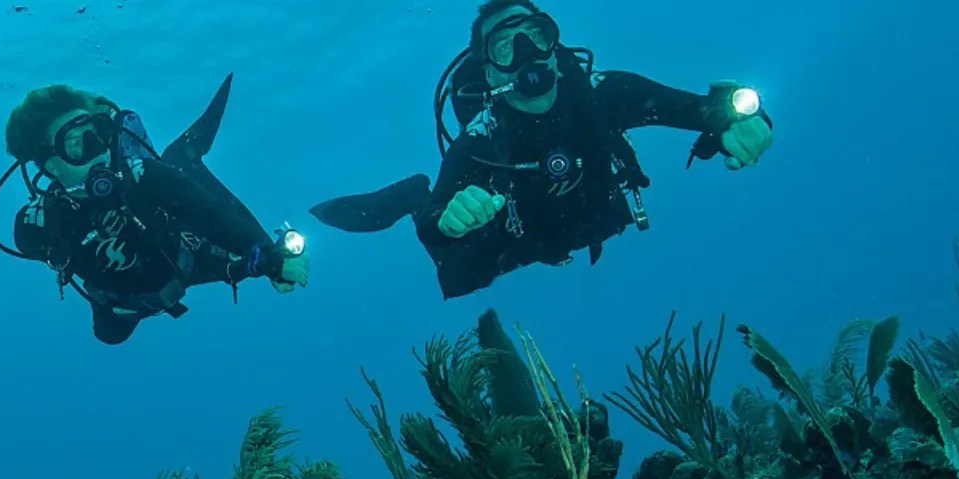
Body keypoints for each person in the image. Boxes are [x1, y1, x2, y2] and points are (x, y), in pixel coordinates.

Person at [309, 0, 777, 299]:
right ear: (491, 71)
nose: (527, 51)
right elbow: (437, 228)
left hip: (598, 217)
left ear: (554, 46)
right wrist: (448, 218)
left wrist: (743, 122)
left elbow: (704, 110)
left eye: (535, 34)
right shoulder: (481, 140)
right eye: (506, 45)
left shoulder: (604, 93)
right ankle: (411, 194)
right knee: (458, 276)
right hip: (522, 240)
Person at [0, 74, 311, 345]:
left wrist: (270, 256)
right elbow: (39, 250)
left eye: (96, 134)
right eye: (76, 143)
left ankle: (184, 157)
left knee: (246, 249)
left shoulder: (143, 177)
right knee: (110, 334)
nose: (95, 148)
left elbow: (210, 217)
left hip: (189, 253)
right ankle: (182, 159)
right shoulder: (38, 225)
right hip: (127, 299)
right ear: (49, 164)